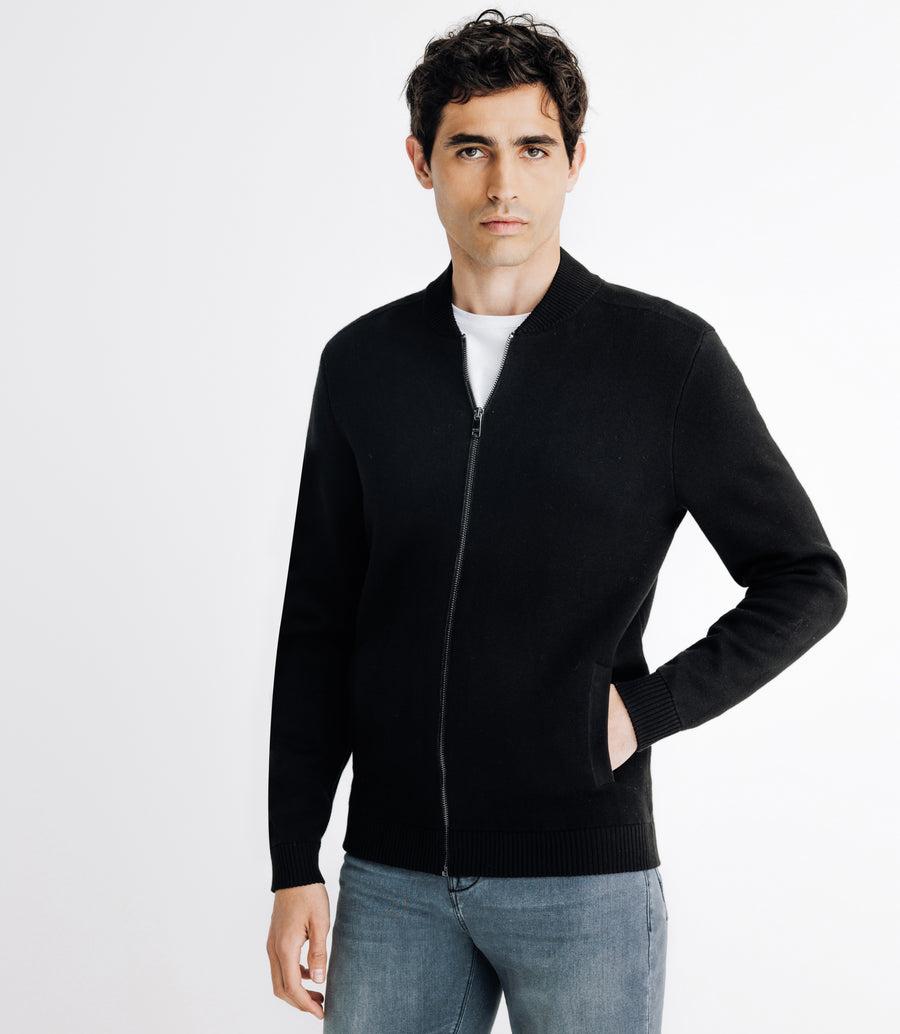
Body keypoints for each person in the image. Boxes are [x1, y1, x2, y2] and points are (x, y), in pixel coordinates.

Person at [265, 9, 848, 1032]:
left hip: (584, 884)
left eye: (533, 148)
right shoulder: (362, 366)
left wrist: (640, 711)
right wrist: (291, 860)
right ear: (421, 161)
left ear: (576, 160)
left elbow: (806, 577)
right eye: (470, 149)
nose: (504, 184)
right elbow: (318, 620)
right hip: (392, 879)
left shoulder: (665, 361)